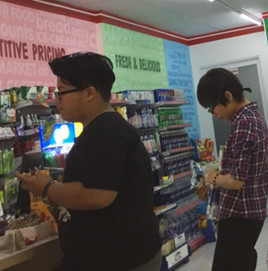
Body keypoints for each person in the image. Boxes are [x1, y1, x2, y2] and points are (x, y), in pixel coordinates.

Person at [15, 52, 161, 271]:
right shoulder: (102, 130)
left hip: (119, 261)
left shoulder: (104, 133)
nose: (57, 100)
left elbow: (96, 195)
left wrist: (46, 187)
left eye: (62, 92)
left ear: (90, 93)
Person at [198, 67, 268, 271]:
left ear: (228, 96)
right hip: (248, 213)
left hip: (240, 215)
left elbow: (237, 181)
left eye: (212, 107)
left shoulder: (244, 123)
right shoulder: (251, 116)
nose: (214, 114)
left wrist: (213, 178)